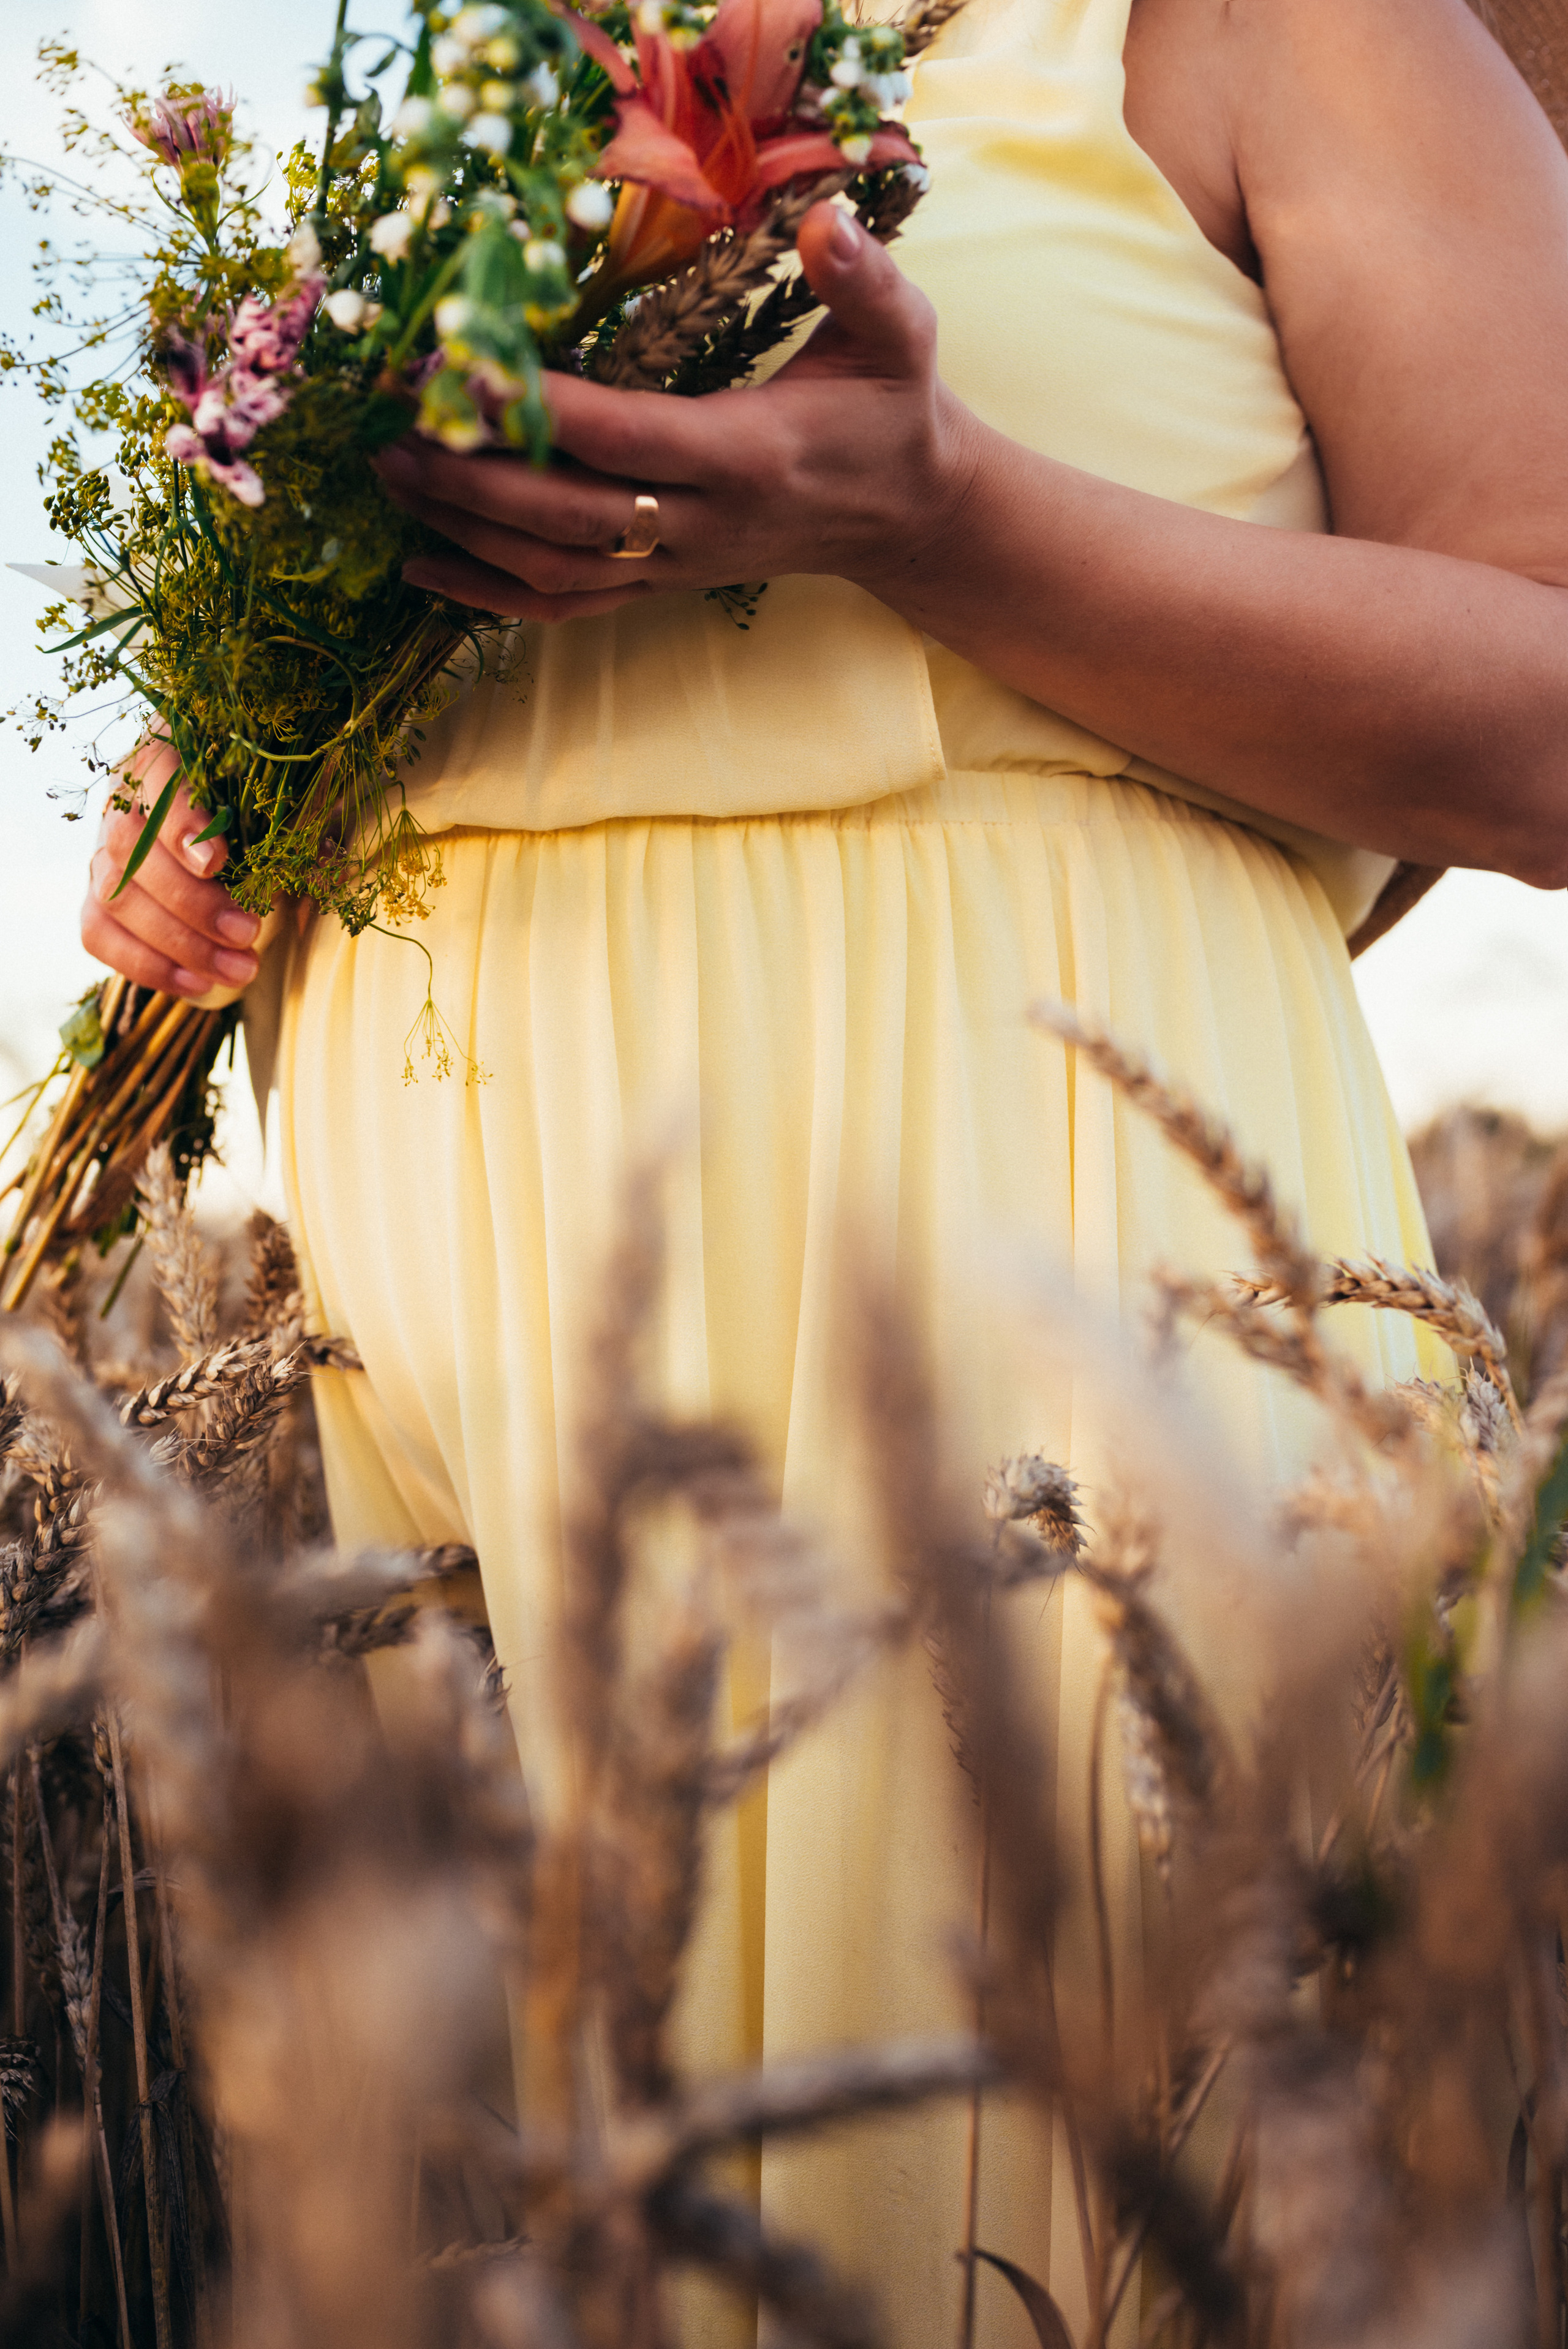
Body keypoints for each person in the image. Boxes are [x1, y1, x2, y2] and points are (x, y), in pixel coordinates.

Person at [83, 0, 1568, 2336]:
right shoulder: (518, 85)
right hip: (443, 1339)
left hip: (1031, 1279)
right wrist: (236, 763)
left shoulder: (1274, 29)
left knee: (1005, 2179)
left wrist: (940, 513)